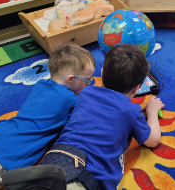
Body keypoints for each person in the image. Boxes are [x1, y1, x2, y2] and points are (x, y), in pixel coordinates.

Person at [0, 44, 94, 190]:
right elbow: (74, 127)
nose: (88, 84)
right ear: (71, 79)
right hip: (4, 157)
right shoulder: (71, 100)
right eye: (87, 80)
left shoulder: (41, 84)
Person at [40, 44, 162, 190]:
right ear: (137, 88)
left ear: (102, 73)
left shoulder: (85, 93)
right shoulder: (131, 110)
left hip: (53, 161)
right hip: (89, 177)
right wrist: (152, 111)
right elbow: (153, 140)